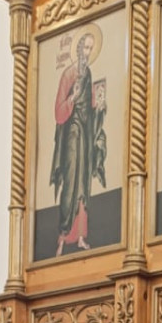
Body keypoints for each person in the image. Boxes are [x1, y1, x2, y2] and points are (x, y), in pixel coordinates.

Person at [50, 30, 107, 256]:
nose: (88, 52)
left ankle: (81, 236)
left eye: (91, 48)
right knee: (72, 182)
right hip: (72, 134)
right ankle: (64, 235)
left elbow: (89, 105)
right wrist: (72, 97)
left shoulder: (88, 72)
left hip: (85, 134)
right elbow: (59, 112)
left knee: (83, 183)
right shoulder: (68, 74)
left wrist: (98, 103)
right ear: (79, 48)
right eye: (85, 47)